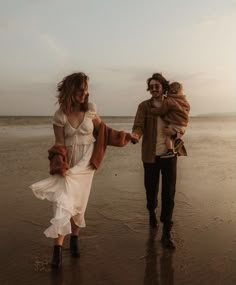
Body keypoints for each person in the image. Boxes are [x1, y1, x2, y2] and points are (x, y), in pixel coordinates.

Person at [30, 72, 135, 268]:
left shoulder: (91, 110)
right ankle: (57, 250)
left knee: (80, 204)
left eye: (86, 89)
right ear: (70, 90)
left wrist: (125, 137)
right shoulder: (60, 115)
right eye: (80, 90)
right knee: (62, 204)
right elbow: (59, 142)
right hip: (68, 165)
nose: (84, 93)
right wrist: (59, 162)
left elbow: (104, 132)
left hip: (87, 164)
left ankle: (75, 241)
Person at [131, 73, 179, 249]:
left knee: (169, 193)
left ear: (163, 87)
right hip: (150, 155)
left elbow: (182, 122)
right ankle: (151, 210)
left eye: (157, 85)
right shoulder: (144, 106)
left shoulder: (172, 104)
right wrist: (136, 135)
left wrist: (175, 133)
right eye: (151, 86)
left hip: (169, 154)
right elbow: (138, 125)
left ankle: (167, 232)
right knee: (150, 190)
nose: (154, 88)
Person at [150, 81, 190, 158]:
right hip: (184, 124)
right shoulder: (184, 101)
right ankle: (177, 140)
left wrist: (152, 110)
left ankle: (170, 151)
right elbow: (187, 109)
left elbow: (161, 111)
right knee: (172, 135)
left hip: (175, 123)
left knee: (168, 136)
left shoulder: (168, 101)